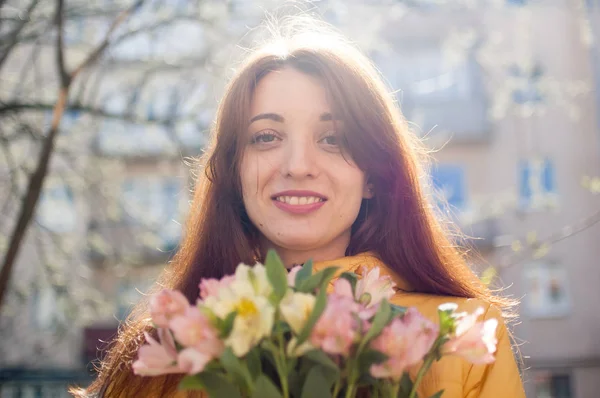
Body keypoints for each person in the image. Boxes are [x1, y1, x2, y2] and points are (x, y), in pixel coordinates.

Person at [71, 17, 525, 398]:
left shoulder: (464, 334)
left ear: (372, 175)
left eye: (334, 139)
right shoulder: (163, 350)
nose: (299, 166)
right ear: (234, 171)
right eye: (266, 137)